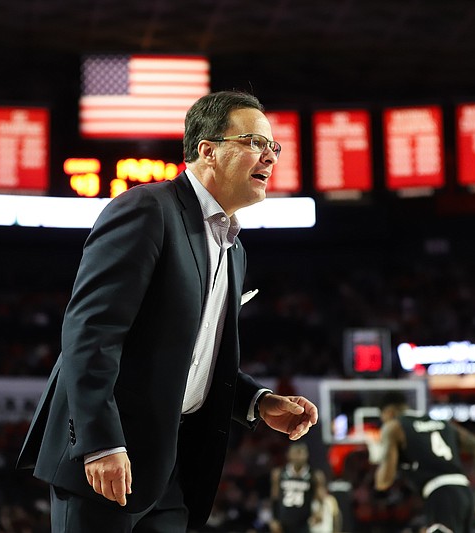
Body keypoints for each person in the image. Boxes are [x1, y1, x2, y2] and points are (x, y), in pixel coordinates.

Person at [17, 90, 319, 532]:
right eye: (255, 142)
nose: (270, 157)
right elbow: (90, 332)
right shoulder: (147, 209)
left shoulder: (234, 249)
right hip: (106, 462)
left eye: (273, 146)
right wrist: (100, 444)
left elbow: (193, 356)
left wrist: (257, 401)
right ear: (208, 151)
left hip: (169, 468)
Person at [371, 391, 475, 533]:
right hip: (465, 494)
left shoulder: (394, 427)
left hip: (441, 495)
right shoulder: (442, 423)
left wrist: (380, 456)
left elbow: (384, 481)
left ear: (389, 413)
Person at [269, 443, 327, 533]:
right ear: (288, 454)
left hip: (304, 521)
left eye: (301, 453)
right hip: (284, 520)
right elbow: (274, 498)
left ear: (307, 455)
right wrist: (274, 518)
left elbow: (320, 498)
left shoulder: (315, 475)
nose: (298, 456)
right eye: (295, 453)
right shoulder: (278, 473)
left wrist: (319, 511)